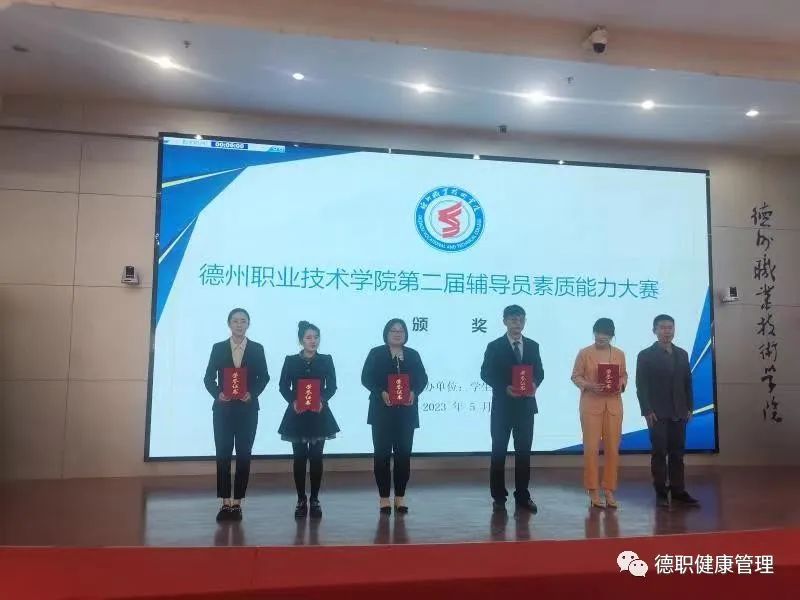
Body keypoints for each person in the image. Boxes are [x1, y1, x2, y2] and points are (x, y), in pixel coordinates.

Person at [203, 308, 269, 522]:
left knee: (243, 454)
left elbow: (264, 377)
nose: (239, 324)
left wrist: (253, 393)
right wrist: (218, 393)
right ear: (229, 324)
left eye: (243, 321)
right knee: (223, 454)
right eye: (235, 321)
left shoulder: (257, 348)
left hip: (247, 410)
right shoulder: (218, 347)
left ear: (248, 324)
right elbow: (208, 378)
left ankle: (238, 502)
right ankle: (224, 502)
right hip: (223, 410)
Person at [361, 318, 428, 514]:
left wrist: (414, 392)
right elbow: (366, 378)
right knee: (381, 455)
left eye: (401, 331)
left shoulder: (413, 355)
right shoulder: (376, 353)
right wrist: (381, 392)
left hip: (406, 413)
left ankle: (400, 496)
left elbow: (422, 378)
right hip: (382, 412)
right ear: (386, 333)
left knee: (403, 455)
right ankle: (384, 497)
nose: (397, 334)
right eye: (393, 330)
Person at [480, 305, 544, 514]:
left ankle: (522, 495)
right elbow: (485, 373)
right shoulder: (495, 346)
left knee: (523, 453)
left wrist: (534, 383)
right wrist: (504, 387)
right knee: (499, 451)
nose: (518, 323)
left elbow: (540, 372)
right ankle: (498, 496)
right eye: (513, 319)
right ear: (505, 321)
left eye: (521, 319)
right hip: (503, 408)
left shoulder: (533, 345)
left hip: (526, 407)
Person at [636, 314, 700, 508]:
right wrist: (647, 410)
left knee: (677, 454)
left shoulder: (682, 354)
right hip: (657, 413)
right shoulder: (645, 355)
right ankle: (661, 492)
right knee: (659, 453)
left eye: (670, 327)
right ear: (654, 330)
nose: (667, 331)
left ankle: (678, 490)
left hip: (679, 411)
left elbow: (687, 383)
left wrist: (690, 407)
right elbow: (641, 386)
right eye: (662, 327)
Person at [278, 321, 340, 519]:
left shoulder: (326, 360)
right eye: (309, 337)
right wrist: (293, 401)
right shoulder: (290, 360)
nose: (313, 341)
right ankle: (300, 499)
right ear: (301, 340)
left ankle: (315, 499)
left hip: (318, 414)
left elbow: (332, 386)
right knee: (299, 458)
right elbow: (283, 386)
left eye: (316, 337)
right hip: (297, 415)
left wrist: (322, 400)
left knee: (316, 458)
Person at [571, 318, 627, 509]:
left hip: (613, 406)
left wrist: (621, 384)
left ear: (612, 335)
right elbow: (575, 376)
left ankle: (609, 489)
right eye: (598, 333)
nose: (601, 337)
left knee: (612, 449)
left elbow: (623, 375)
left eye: (605, 334)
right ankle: (593, 489)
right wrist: (589, 385)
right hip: (591, 405)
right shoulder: (584, 353)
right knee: (591, 448)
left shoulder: (619, 354)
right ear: (594, 332)